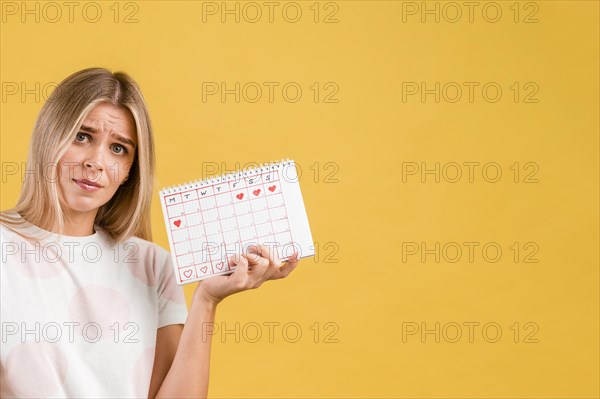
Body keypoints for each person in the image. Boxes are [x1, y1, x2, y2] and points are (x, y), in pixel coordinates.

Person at [0, 67, 300, 398]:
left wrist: (208, 299)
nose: (96, 162)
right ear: (49, 137)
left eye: (118, 149)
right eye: (82, 136)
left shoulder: (152, 266)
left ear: (130, 171)